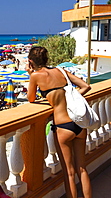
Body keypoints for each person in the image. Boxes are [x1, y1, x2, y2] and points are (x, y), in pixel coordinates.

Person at [26, 46, 91, 198]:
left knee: (69, 173)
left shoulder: (35, 76)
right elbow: (86, 86)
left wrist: (30, 74)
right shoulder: (61, 71)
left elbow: (31, 98)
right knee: (82, 169)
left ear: (30, 61)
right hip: (79, 123)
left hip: (63, 126)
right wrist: (70, 98)